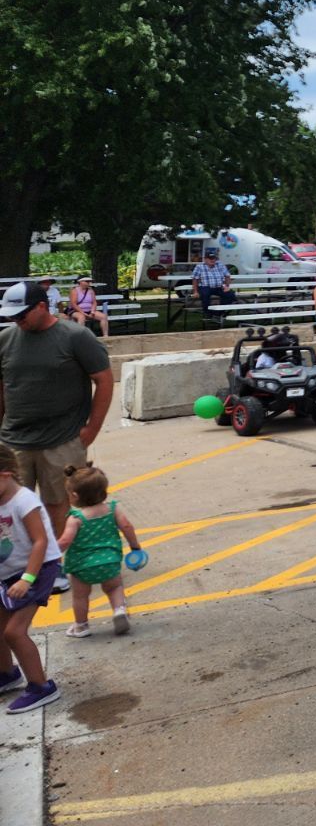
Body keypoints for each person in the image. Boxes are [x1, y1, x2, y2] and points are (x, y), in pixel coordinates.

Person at [0, 281, 112, 591]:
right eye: (11, 316)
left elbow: (104, 380)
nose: (16, 321)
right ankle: (19, 567)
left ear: (41, 307)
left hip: (62, 439)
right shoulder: (6, 340)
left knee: (58, 504)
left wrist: (91, 429)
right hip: (14, 440)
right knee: (10, 508)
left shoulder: (75, 337)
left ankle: (55, 566)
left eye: (21, 315)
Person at [0, 442, 63, 712]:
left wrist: (27, 578)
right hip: (9, 573)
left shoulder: (23, 501)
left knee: (14, 632)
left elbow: (40, 541)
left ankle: (41, 686)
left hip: (37, 570)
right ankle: (7, 674)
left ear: (5, 475)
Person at [58, 463, 140, 639]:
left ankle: (81, 626)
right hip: (109, 561)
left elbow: (65, 541)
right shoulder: (112, 509)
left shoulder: (75, 518)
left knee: (80, 596)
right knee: (114, 587)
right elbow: (126, 526)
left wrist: (48, 554)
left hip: (81, 566)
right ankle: (119, 610)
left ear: (75, 495)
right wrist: (135, 547)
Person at [191, 249, 236, 318]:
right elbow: (195, 279)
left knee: (231, 295)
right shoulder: (199, 266)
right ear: (205, 259)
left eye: (214, 258)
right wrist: (195, 292)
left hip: (219, 287)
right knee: (205, 294)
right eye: (210, 258)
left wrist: (227, 286)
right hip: (205, 286)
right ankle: (208, 313)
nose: (212, 260)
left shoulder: (220, 265)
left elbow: (227, 276)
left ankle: (219, 312)